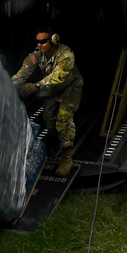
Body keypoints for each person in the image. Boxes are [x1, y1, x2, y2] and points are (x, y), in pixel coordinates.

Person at [13, 27, 83, 176]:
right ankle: (58, 142)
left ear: (53, 40)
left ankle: (66, 158)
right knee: (49, 120)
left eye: (43, 42)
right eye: (38, 42)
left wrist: (36, 86)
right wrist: (9, 86)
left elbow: (59, 77)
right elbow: (23, 72)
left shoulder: (65, 55)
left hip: (70, 87)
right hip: (52, 90)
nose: (40, 45)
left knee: (62, 120)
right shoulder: (37, 55)